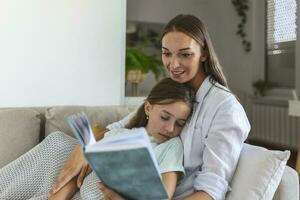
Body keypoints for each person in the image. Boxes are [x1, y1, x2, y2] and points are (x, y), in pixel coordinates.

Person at [51, 14, 251, 200]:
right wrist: (81, 149)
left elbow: (210, 192)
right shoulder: (171, 91)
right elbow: (116, 129)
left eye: (185, 54)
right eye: (167, 54)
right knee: (62, 145)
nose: (173, 64)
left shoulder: (224, 108)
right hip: (122, 183)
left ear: (204, 53)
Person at [0, 78, 195, 200]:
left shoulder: (171, 146)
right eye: (165, 117)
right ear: (148, 108)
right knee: (59, 142)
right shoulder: (121, 133)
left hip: (99, 193)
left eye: (179, 123)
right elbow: (81, 164)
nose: (170, 128)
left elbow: (164, 195)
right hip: (75, 184)